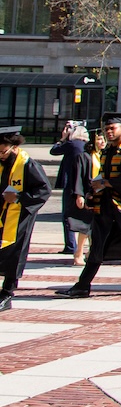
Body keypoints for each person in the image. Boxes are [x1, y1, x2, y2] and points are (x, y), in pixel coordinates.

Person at [57, 113, 121, 298]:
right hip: (107, 206)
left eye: (112, 128)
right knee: (97, 246)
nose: (108, 131)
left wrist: (106, 183)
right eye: (106, 129)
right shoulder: (107, 151)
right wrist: (94, 191)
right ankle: (83, 285)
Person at [0, 124, 52, 311]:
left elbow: (43, 190)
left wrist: (20, 198)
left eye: (3, 151)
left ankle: (7, 293)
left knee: (14, 254)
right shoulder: (1, 162)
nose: (1, 155)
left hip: (19, 217)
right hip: (1, 215)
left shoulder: (28, 164)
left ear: (14, 147)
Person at [50, 120, 95, 264]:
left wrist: (63, 138)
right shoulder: (86, 147)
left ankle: (70, 245)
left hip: (70, 183)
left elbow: (54, 150)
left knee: (67, 214)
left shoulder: (71, 144)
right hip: (85, 184)